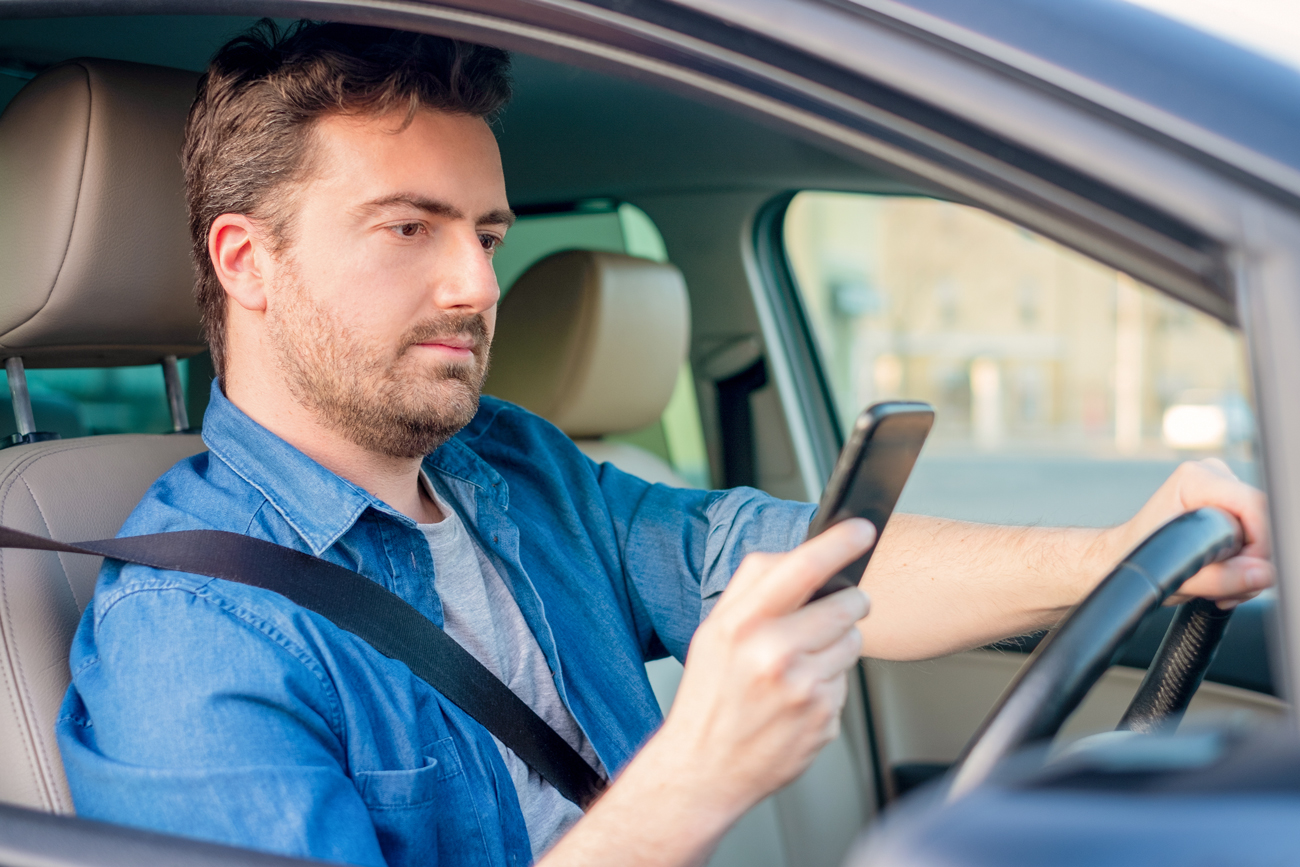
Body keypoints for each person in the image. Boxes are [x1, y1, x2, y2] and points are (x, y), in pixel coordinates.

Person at [55, 20, 1273, 867]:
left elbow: (779, 557)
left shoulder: (514, 470)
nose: (480, 281)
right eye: (409, 228)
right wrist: (696, 779)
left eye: (485, 231)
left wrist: (1117, 550)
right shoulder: (192, 631)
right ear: (244, 262)